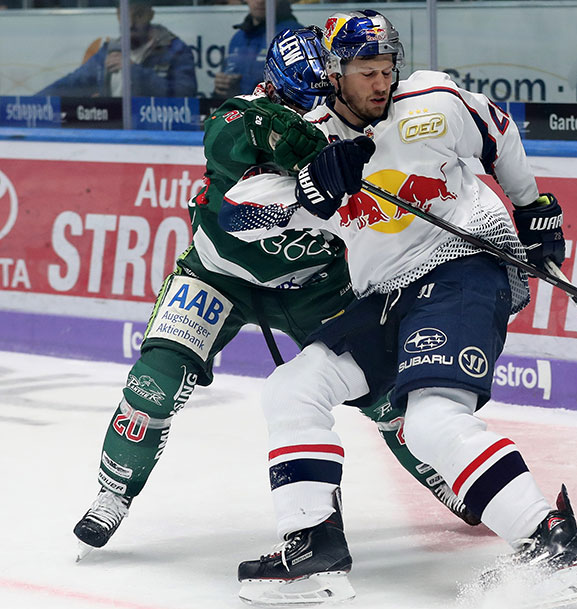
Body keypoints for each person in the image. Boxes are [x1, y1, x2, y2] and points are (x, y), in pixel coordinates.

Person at [221, 10, 577, 609]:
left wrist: (532, 205)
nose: (381, 82)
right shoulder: (308, 137)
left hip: (462, 264)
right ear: (334, 73)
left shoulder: (433, 99)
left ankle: (549, 540)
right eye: (365, 71)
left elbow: (497, 129)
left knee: (429, 421)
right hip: (386, 296)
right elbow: (236, 216)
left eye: (386, 68)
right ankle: (313, 546)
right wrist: (306, 193)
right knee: (291, 389)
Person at [72, 27, 477, 561]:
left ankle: (444, 474)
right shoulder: (239, 119)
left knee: (384, 390)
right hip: (218, 276)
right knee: (157, 379)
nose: (311, 110)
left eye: (320, 95)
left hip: (316, 283)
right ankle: (113, 491)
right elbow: (237, 181)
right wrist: (306, 169)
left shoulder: (367, 120)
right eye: (297, 98)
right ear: (275, 85)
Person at [36, 0, 197, 98]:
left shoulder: (175, 50)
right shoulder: (110, 50)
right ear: (118, 16)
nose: (131, 23)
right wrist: (31, 103)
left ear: (150, 15)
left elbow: (185, 95)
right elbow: (72, 83)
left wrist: (134, 71)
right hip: (114, 133)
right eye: (125, 15)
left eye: (138, 15)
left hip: (159, 135)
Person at [212, 0, 303, 100]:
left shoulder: (293, 37)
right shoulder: (238, 38)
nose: (260, 1)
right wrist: (223, 88)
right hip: (242, 111)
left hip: (273, 113)